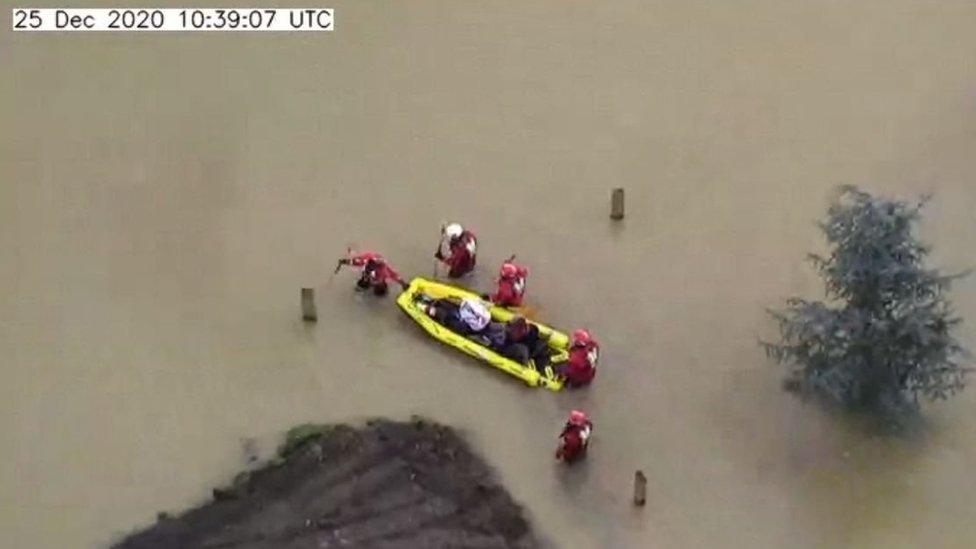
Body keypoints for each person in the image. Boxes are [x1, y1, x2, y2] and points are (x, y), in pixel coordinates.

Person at [336, 251, 408, 296]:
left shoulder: (385, 270)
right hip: (367, 277)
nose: (374, 265)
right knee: (360, 286)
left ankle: (381, 291)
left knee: (380, 292)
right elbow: (356, 261)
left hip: (379, 283)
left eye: (377, 264)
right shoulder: (366, 259)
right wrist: (345, 261)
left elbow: (395, 276)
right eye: (373, 263)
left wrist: (403, 284)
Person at [420, 296, 491, 338]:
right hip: (463, 319)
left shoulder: (478, 321)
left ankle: (426, 306)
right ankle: (430, 303)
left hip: (462, 324)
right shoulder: (482, 314)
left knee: (444, 314)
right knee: (446, 306)